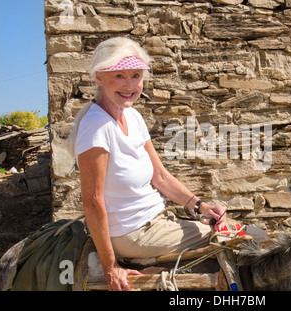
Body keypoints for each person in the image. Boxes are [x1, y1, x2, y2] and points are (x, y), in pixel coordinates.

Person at [68, 37, 227, 291]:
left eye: (136, 75)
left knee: (228, 231)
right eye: (119, 75)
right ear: (100, 77)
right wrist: (111, 267)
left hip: (157, 220)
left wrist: (200, 206)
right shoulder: (96, 127)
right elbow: (93, 200)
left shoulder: (132, 115)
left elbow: (160, 177)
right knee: (242, 239)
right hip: (132, 232)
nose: (130, 85)